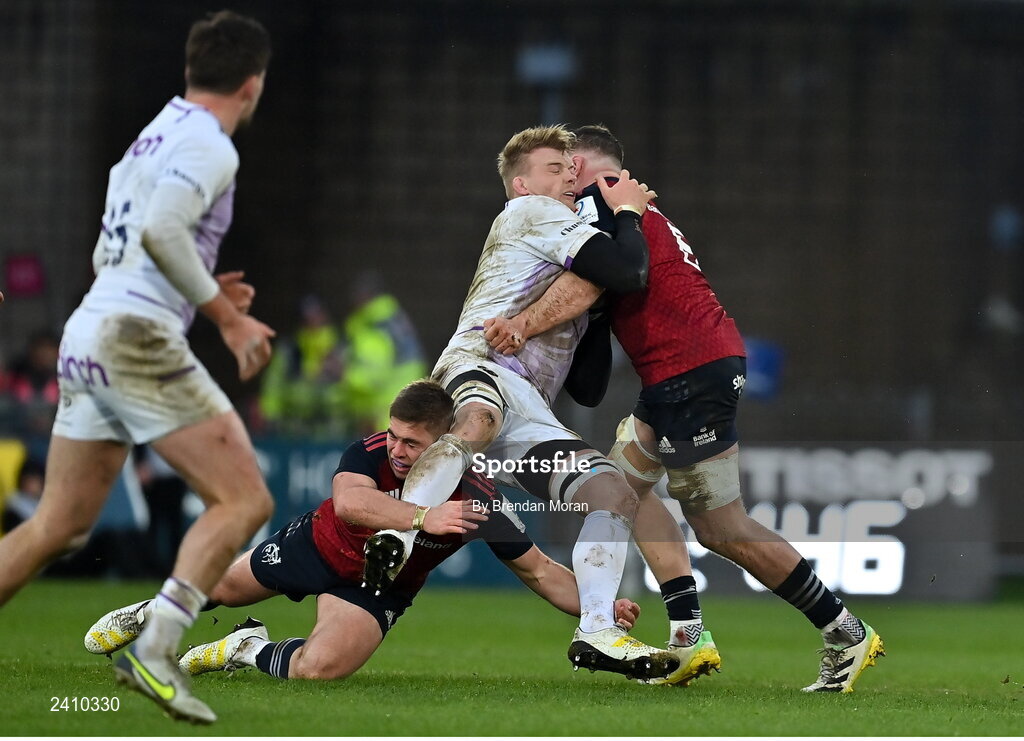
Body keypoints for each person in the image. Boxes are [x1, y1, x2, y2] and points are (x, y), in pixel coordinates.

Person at [484, 124, 885, 693]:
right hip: (679, 371)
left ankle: (844, 631)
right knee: (621, 489)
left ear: (600, 171)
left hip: (690, 370)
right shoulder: (618, 214)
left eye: (571, 168)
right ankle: (688, 634)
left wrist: (520, 325)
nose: (566, 180)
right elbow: (598, 324)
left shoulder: (608, 205)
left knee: (723, 528)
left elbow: (597, 285)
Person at [0, 11, 276, 724]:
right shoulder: (211, 145)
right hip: (133, 336)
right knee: (245, 501)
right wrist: (227, 316)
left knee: (58, 522)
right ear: (252, 84)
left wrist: (207, 288)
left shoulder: (149, 137)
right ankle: (156, 651)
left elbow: (117, 251)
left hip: (89, 329)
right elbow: (162, 231)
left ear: (193, 71)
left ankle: (152, 646)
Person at [362, 124, 706, 683]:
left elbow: (588, 388)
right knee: (477, 418)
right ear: (520, 185)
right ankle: (400, 534)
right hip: (481, 363)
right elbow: (628, 269)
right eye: (555, 167)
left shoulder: (564, 251)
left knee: (611, 491)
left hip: (529, 409)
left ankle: (597, 629)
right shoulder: (530, 213)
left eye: (571, 167)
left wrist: (591, 309)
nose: (569, 175)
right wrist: (627, 213)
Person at [83, 380, 641, 681]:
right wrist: (425, 517)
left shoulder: (479, 498)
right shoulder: (370, 453)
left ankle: (242, 649)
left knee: (317, 671)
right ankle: (148, 614)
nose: (397, 450)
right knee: (220, 589)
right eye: (394, 435)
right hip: (318, 547)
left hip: (378, 588)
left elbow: (541, 572)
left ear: (447, 443)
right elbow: (350, 506)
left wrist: (598, 607)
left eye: (412, 443)